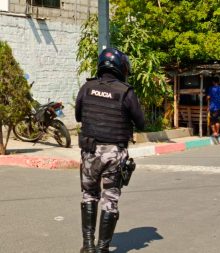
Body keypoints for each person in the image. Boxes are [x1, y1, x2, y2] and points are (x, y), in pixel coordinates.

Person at [75, 48, 145, 253]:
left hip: (89, 151)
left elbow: (79, 116)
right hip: (114, 154)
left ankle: (88, 246)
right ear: (120, 67)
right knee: (110, 198)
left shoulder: (87, 87)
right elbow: (141, 123)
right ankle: (103, 248)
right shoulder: (125, 91)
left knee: (89, 195)